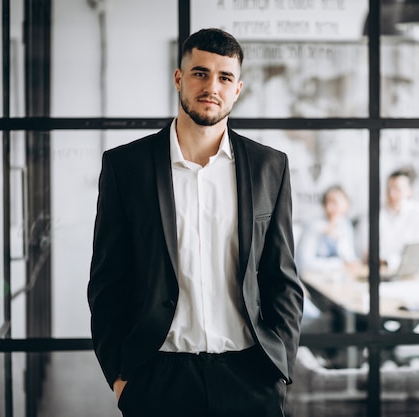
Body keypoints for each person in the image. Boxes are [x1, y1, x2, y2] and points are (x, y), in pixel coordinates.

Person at [87, 28, 304, 417]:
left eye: (225, 78)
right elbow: (107, 282)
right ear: (179, 79)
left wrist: (280, 366)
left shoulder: (270, 166)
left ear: (238, 89)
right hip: (157, 378)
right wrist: (121, 379)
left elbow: (282, 277)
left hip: (250, 375)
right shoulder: (126, 167)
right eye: (200, 73)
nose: (212, 87)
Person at [296, 186, 362, 334]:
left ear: (346, 205)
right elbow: (305, 265)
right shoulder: (314, 227)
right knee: (339, 315)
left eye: (335, 202)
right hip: (311, 290)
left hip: (338, 286)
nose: (330, 207)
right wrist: (339, 264)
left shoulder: (344, 226)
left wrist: (338, 240)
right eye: (327, 202)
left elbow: (350, 260)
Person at [359, 165, 419, 270]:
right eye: (389, 188)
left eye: (397, 189)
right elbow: (368, 253)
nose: (392, 194)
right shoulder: (373, 213)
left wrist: (388, 260)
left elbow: (418, 253)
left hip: (412, 272)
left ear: (409, 191)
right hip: (380, 272)